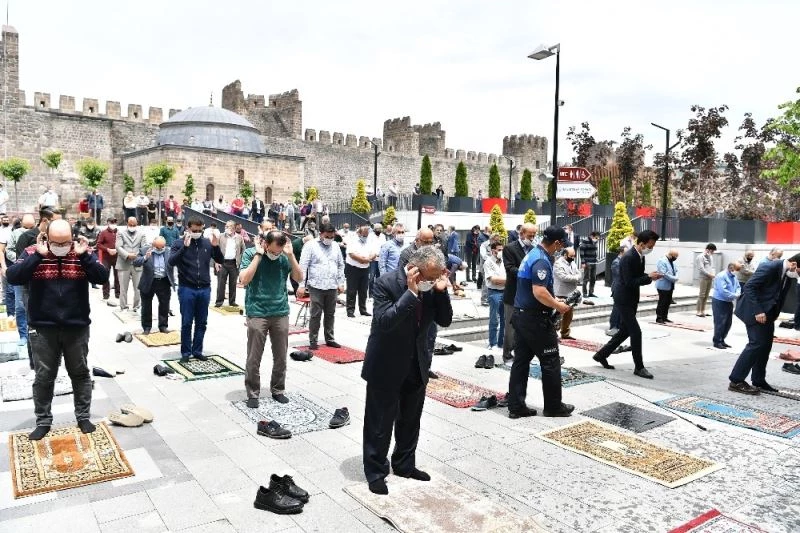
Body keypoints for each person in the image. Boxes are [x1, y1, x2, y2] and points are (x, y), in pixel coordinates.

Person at [361, 246, 452, 495]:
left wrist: (442, 292)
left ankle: (404, 464)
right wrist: (411, 293)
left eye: (435, 277)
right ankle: (376, 471)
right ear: (413, 268)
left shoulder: (433, 287)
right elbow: (385, 321)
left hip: (416, 363)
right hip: (386, 364)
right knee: (379, 422)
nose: (430, 282)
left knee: (410, 420)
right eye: (427, 277)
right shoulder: (385, 284)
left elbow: (444, 320)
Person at [7, 219, 108, 440]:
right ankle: (43, 421)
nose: (61, 247)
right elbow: (14, 276)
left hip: (76, 327)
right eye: (56, 243)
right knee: (44, 377)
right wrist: (37, 256)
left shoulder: (81, 252)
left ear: (72, 237)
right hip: (43, 329)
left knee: (80, 374)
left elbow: (102, 277)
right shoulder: (33, 251)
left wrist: (84, 256)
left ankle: (83, 417)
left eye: (65, 242)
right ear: (46, 238)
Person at [508, 226, 574, 419]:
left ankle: (516, 405)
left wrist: (554, 301)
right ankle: (553, 406)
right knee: (551, 361)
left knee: (521, 362)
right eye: (561, 245)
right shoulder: (541, 260)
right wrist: (558, 306)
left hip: (522, 316)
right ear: (556, 243)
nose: (561, 249)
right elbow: (539, 291)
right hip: (535, 319)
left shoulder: (532, 254)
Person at [240, 230, 303, 407]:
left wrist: (291, 256)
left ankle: (278, 389)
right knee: (254, 356)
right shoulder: (250, 254)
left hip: (280, 311)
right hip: (257, 311)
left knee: (281, 356)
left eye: (279, 250)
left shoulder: (284, 257)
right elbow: (244, 280)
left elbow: (299, 277)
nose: (277, 254)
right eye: (274, 250)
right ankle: (253, 393)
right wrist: (258, 256)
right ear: (266, 244)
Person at [592, 231, 662, 378]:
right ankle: (639, 367)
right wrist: (649, 277)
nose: (651, 248)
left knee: (624, 331)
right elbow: (629, 281)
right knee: (636, 332)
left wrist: (651, 276)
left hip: (631, 298)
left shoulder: (640, 256)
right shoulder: (628, 257)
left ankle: (601, 355)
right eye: (650, 245)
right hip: (623, 298)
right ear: (642, 243)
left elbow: (638, 277)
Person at [728, 253, 800, 393]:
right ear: (794, 264)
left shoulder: (787, 273)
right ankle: (736, 381)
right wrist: (758, 311)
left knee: (765, 346)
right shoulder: (770, 267)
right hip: (755, 312)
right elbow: (749, 287)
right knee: (756, 344)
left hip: (767, 314)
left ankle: (758, 380)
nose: (798, 275)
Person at [169, 218, 224, 362]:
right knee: (187, 322)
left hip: (204, 289)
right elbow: (171, 261)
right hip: (187, 288)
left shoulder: (206, 243)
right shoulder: (178, 243)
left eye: (200, 231)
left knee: (202, 322)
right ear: (188, 229)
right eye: (194, 231)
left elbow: (220, 260)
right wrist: (184, 248)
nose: (197, 233)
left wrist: (216, 246)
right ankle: (186, 353)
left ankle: (198, 350)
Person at [297, 223, 345, 350]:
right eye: (327, 236)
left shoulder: (335, 246)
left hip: (332, 285)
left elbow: (340, 265)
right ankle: (313, 340)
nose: (329, 239)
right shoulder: (310, 245)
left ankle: (330, 338)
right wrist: (301, 285)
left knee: (330, 314)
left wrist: (341, 282)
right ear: (321, 234)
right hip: (316, 285)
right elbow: (303, 266)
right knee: (315, 314)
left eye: (332, 236)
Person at [502, 223, 535, 364]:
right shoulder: (509, 248)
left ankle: (521, 353)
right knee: (510, 327)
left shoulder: (534, 250)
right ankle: (507, 354)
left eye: (534, 236)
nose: (532, 238)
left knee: (525, 326)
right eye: (530, 235)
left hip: (528, 294)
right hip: (513, 294)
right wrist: (526, 273)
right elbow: (510, 269)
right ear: (521, 234)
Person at [134, 236, 174, 334]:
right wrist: (145, 257)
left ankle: (163, 326)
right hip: (149, 282)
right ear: (153, 245)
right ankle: (147, 327)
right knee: (146, 306)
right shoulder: (144, 250)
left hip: (164, 281)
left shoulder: (169, 251)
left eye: (162, 247)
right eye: (157, 247)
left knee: (164, 305)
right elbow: (135, 262)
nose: (160, 249)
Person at [345, 224, 375, 318]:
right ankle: (350, 310)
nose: (365, 237)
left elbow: (374, 252)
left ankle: (363, 309)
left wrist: (369, 258)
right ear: (359, 233)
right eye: (364, 235)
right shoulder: (353, 240)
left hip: (365, 269)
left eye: (366, 235)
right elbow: (351, 254)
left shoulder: (369, 240)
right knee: (352, 290)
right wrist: (362, 260)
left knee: (363, 290)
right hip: (353, 268)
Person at [116, 217, 145, 312]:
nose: (132, 226)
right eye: (130, 224)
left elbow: (144, 248)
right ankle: (123, 306)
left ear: (137, 224)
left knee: (138, 288)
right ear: (127, 224)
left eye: (134, 225)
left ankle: (136, 306)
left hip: (137, 263)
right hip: (124, 263)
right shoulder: (120, 233)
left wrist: (136, 255)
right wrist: (127, 255)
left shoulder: (142, 234)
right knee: (123, 288)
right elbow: (118, 246)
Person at [553, 247, 582, 340]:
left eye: (574, 256)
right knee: (558, 316)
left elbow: (579, 273)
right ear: (565, 255)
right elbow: (563, 277)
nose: (573, 258)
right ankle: (553, 335)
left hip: (571, 292)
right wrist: (576, 278)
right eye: (571, 256)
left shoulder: (573, 263)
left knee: (569, 315)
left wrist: (576, 276)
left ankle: (565, 333)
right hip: (560, 292)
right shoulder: (558, 263)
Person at [712, 262, 741, 349]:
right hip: (720, 301)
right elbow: (722, 291)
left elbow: (738, 286)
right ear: (731, 268)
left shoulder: (734, 276)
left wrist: (738, 292)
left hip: (729, 301)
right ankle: (717, 341)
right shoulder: (721, 276)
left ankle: (722, 339)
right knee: (720, 322)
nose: (737, 272)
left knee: (728, 322)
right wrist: (735, 295)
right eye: (736, 270)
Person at [215, 221, 245, 308]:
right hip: (222, 263)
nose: (227, 228)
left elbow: (243, 249)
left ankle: (232, 301)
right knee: (221, 283)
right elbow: (215, 250)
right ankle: (219, 301)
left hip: (234, 263)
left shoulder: (239, 238)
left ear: (234, 228)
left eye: (230, 226)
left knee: (233, 283)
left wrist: (239, 259)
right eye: (226, 226)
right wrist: (216, 262)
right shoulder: (220, 236)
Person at [484, 241, 506, 354]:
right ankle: (492, 343)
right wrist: (509, 281)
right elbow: (494, 280)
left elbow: (501, 279)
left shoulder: (504, 261)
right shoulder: (488, 262)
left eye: (502, 249)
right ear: (493, 251)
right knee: (494, 319)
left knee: (504, 319)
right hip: (494, 292)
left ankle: (501, 343)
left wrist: (503, 281)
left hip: (505, 291)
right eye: (499, 250)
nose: (500, 252)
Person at [96, 217, 119, 301]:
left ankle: (118, 293)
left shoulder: (119, 233)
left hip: (117, 257)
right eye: (111, 222)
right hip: (106, 257)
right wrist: (107, 249)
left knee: (118, 276)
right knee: (106, 275)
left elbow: (123, 244)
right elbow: (98, 244)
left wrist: (117, 249)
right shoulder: (103, 233)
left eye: (114, 222)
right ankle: (106, 294)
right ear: (108, 223)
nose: (113, 224)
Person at [606, 246, 627, 336]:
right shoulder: (616, 262)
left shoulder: (623, 261)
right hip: (617, 288)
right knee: (617, 308)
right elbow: (619, 275)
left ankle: (618, 326)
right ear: (621, 252)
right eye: (626, 252)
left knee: (621, 309)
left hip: (623, 288)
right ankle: (613, 326)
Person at [655, 249, 680, 323]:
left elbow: (676, 271)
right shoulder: (662, 261)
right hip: (663, 285)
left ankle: (665, 317)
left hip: (670, 285)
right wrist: (674, 278)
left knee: (668, 301)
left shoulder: (672, 262)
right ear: (670, 255)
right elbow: (664, 273)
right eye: (675, 257)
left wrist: (676, 277)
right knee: (662, 301)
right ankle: (659, 317)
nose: (675, 258)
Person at [696, 243, 717, 317]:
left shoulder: (710, 257)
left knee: (706, 295)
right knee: (702, 294)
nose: (713, 253)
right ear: (708, 249)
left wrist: (713, 274)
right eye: (712, 251)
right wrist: (709, 274)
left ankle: (703, 311)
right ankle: (698, 311)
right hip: (703, 278)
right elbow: (701, 268)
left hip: (710, 278)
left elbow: (712, 267)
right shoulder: (700, 257)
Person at [579, 231, 600, 297]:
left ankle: (591, 292)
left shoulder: (595, 241)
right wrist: (583, 262)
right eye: (596, 237)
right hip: (587, 262)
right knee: (586, 278)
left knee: (593, 278)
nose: (597, 239)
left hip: (593, 261)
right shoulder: (585, 241)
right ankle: (584, 293)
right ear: (592, 236)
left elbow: (594, 251)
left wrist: (596, 258)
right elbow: (581, 251)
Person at [367, 223, 385, 298]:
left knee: (379, 278)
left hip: (380, 259)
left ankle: (377, 293)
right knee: (371, 278)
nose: (378, 230)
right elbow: (369, 247)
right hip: (373, 259)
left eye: (380, 229)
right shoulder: (370, 236)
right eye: (377, 229)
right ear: (374, 230)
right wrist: (373, 255)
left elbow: (384, 246)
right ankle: (370, 294)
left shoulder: (383, 236)